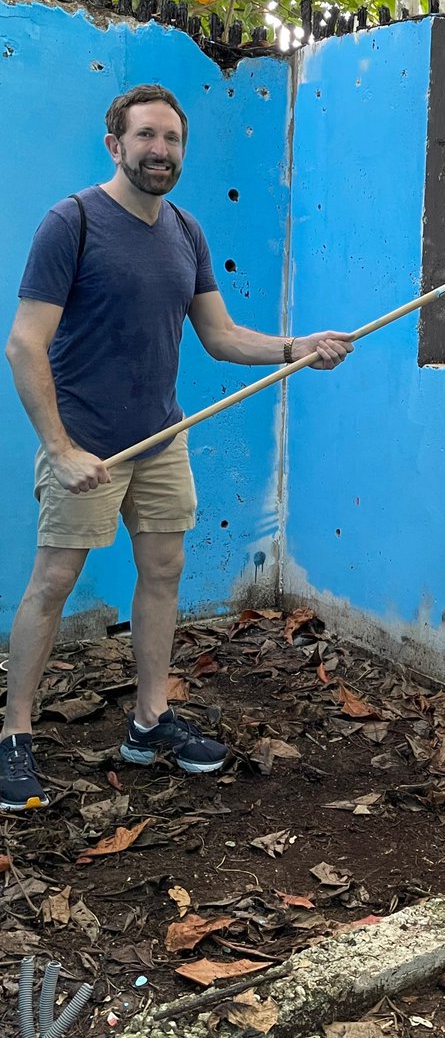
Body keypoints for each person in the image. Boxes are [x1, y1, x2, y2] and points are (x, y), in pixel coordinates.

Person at [0, 84, 354, 812]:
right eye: (146, 137)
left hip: (162, 437)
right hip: (87, 443)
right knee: (54, 583)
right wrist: (60, 449)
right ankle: (14, 734)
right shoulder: (71, 223)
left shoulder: (185, 231)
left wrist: (298, 346)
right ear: (116, 144)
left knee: (164, 571)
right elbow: (23, 344)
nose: (160, 151)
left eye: (172, 140)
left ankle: (150, 721)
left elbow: (220, 337)